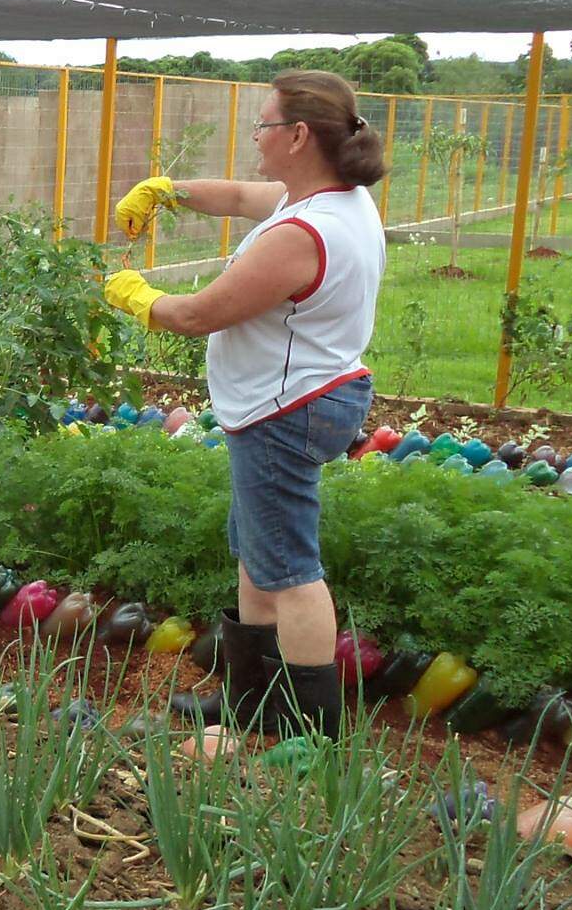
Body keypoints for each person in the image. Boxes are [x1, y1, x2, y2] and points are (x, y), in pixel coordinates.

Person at [104, 68, 386, 737]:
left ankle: (306, 730)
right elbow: (235, 194)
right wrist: (168, 191)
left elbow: (201, 313)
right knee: (259, 555)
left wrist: (136, 297)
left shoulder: (303, 233)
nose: (254, 138)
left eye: (262, 125)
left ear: (296, 135)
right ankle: (250, 700)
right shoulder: (332, 200)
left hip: (284, 410)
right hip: (300, 398)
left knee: (289, 570)